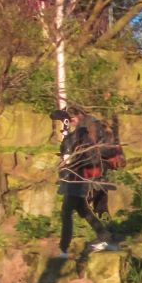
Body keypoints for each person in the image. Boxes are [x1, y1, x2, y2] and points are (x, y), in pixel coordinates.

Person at [55, 107, 121, 255]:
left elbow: (70, 158)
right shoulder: (85, 134)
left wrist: (66, 153)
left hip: (76, 180)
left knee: (66, 213)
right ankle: (105, 238)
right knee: (84, 210)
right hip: (81, 179)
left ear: (76, 118)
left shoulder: (80, 135)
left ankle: (63, 250)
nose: (70, 123)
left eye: (70, 120)